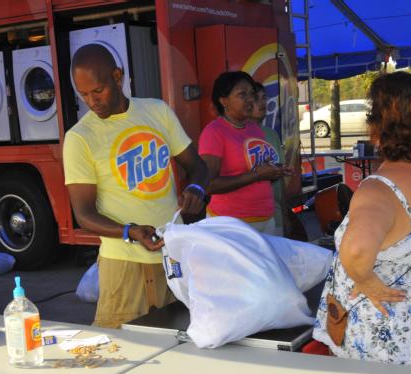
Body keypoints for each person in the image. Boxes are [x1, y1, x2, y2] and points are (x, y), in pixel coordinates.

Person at [312, 71, 411, 372]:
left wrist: (365, 281)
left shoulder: (380, 188)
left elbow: (358, 251)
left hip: (390, 335)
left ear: (379, 125)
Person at [63, 44, 208, 328]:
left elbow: (198, 167)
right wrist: (130, 232)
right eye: (83, 95)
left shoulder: (157, 112)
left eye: (98, 90)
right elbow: (83, 214)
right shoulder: (80, 138)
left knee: (176, 346)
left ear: (118, 76)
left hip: (171, 258)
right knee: (124, 349)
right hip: (122, 264)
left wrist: (197, 190)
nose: (92, 101)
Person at [198, 71, 291, 234]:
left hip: (266, 219)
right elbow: (208, 185)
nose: (250, 100)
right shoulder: (214, 132)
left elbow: (258, 170)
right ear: (224, 101)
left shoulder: (255, 129)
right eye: (242, 94)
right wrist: (257, 175)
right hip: (231, 225)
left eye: (252, 95)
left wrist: (274, 171)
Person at [249, 82, 286, 236]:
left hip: (274, 216)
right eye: (256, 98)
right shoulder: (234, 136)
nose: (262, 103)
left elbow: (281, 179)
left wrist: (285, 213)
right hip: (248, 221)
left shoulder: (271, 135)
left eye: (264, 98)